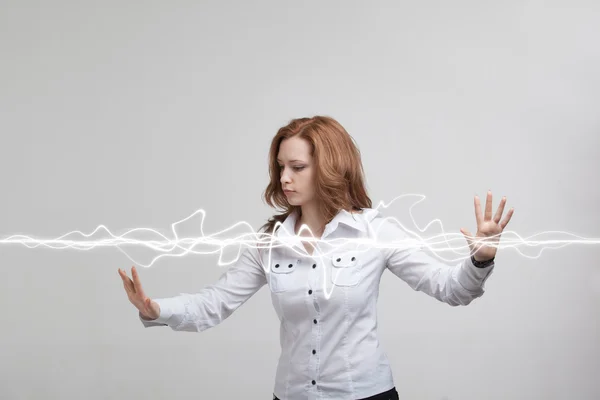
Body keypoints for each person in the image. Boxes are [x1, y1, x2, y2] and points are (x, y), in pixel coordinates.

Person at [118, 116, 514, 400]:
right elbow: (215, 304)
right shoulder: (270, 242)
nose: (284, 178)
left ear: (329, 168)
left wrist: (480, 259)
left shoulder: (376, 232)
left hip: (364, 396)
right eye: (281, 168)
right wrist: (155, 308)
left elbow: (451, 290)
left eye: (297, 167)